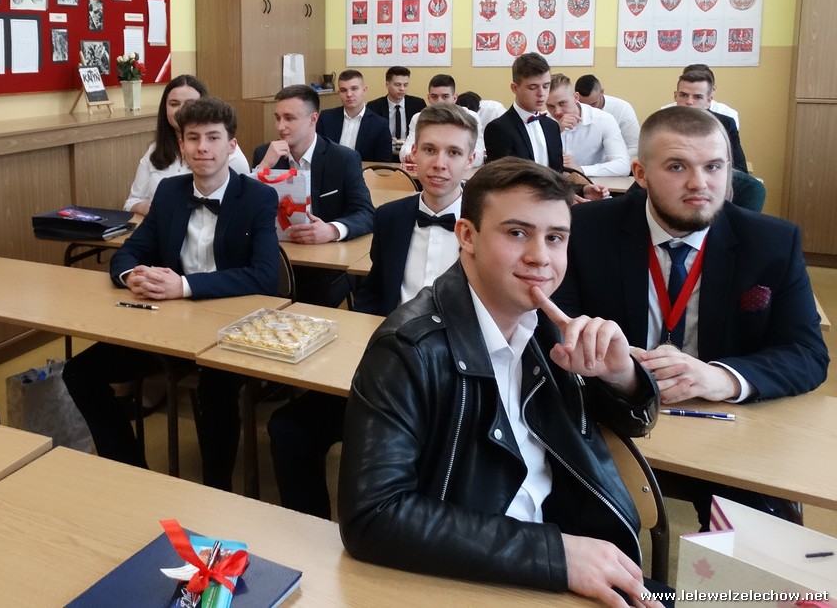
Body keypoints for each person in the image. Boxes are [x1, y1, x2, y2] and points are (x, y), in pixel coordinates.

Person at [339, 159, 662, 606]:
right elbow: (372, 517)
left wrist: (620, 376)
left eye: (555, 238)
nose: (540, 256)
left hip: (568, 548)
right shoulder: (408, 349)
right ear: (467, 236)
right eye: (517, 233)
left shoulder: (547, 327)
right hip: (477, 576)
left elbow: (632, 424)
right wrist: (555, 554)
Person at [554, 107, 828, 527]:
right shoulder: (584, 230)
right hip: (606, 418)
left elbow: (807, 352)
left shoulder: (772, 242)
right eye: (677, 167)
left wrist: (722, 377)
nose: (700, 183)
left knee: (752, 537)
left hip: (723, 428)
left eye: (713, 167)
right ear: (641, 174)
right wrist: (622, 373)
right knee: (581, 536)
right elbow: (555, 328)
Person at [269, 105, 476, 519]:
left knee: (406, 459)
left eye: (453, 153)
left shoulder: (489, 225)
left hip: (457, 375)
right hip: (388, 363)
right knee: (288, 428)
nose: (439, 163)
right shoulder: (392, 216)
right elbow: (374, 292)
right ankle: (311, 533)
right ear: (412, 154)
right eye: (430, 149)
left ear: (471, 160)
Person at [63, 97, 278, 490]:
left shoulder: (258, 197)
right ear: (181, 145)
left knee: (215, 392)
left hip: (228, 327)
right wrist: (132, 275)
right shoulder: (169, 192)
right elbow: (128, 252)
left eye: (213, 138)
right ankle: (131, 470)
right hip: (168, 326)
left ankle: (216, 490)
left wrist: (184, 286)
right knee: (78, 372)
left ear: (232, 145)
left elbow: (265, 276)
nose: (202, 147)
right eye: (193, 138)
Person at [253, 85, 374, 306]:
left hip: (323, 265)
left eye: (289, 118)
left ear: (313, 119)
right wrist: (263, 168)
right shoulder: (265, 154)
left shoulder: (343, 158)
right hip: (275, 256)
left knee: (311, 295)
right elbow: (245, 211)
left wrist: (331, 230)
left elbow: (366, 213)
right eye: (277, 118)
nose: (280, 127)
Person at [123, 75, 250, 215]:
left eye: (190, 104)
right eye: (174, 104)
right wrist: (149, 208)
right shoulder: (155, 150)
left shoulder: (230, 155)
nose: (181, 110)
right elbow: (131, 202)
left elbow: (244, 206)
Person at [484, 52, 563, 171]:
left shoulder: (552, 126)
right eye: (533, 87)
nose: (541, 93)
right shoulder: (498, 129)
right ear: (515, 88)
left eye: (546, 86)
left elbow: (558, 172)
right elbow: (503, 177)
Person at [547, 74, 630, 176]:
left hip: (593, 182)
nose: (557, 112)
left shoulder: (603, 120)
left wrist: (580, 170)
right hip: (552, 182)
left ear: (576, 97)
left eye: (562, 103)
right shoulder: (541, 122)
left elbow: (623, 165)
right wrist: (555, 131)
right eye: (550, 106)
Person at [670, 68, 747, 173]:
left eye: (697, 97)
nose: (689, 102)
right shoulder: (660, 124)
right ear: (675, 96)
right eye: (683, 95)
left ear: (708, 100)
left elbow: (740, 168)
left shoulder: (725, 124)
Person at [400, 73, 485, 167]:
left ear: (454, 98)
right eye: (434, 97)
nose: (439, 101)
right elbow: (404, 152)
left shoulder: (469, 117)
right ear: (428, 98)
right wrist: (411, 156)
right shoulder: (419, 118)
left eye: (445, 96)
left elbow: (478, 157)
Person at [315, 70, 393, 162]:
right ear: (339, 93)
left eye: (354, 89)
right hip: (330, 170)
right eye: (343, 90)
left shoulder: (380, 125)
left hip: (364, 170)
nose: (349, 94)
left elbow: (384, 163)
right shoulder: (326, 118)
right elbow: (317, 153)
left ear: (364, 90)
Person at [575, 74, 639, 157]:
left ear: (602, 92)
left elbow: (634, 147)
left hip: (616, 160)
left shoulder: (623, 109)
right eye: (583, 105)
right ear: (576, 97)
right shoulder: (570, 110)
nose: (588, 109)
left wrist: (614, 161)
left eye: (593, 104)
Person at [366, 65, 425, 143]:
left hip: (410, 147)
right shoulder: (373, 107)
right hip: (385, 147)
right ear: (387, 84)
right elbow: (370, 134)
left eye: (405, 85)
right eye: (397, 84)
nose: (402, 89)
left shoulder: (418, 104)